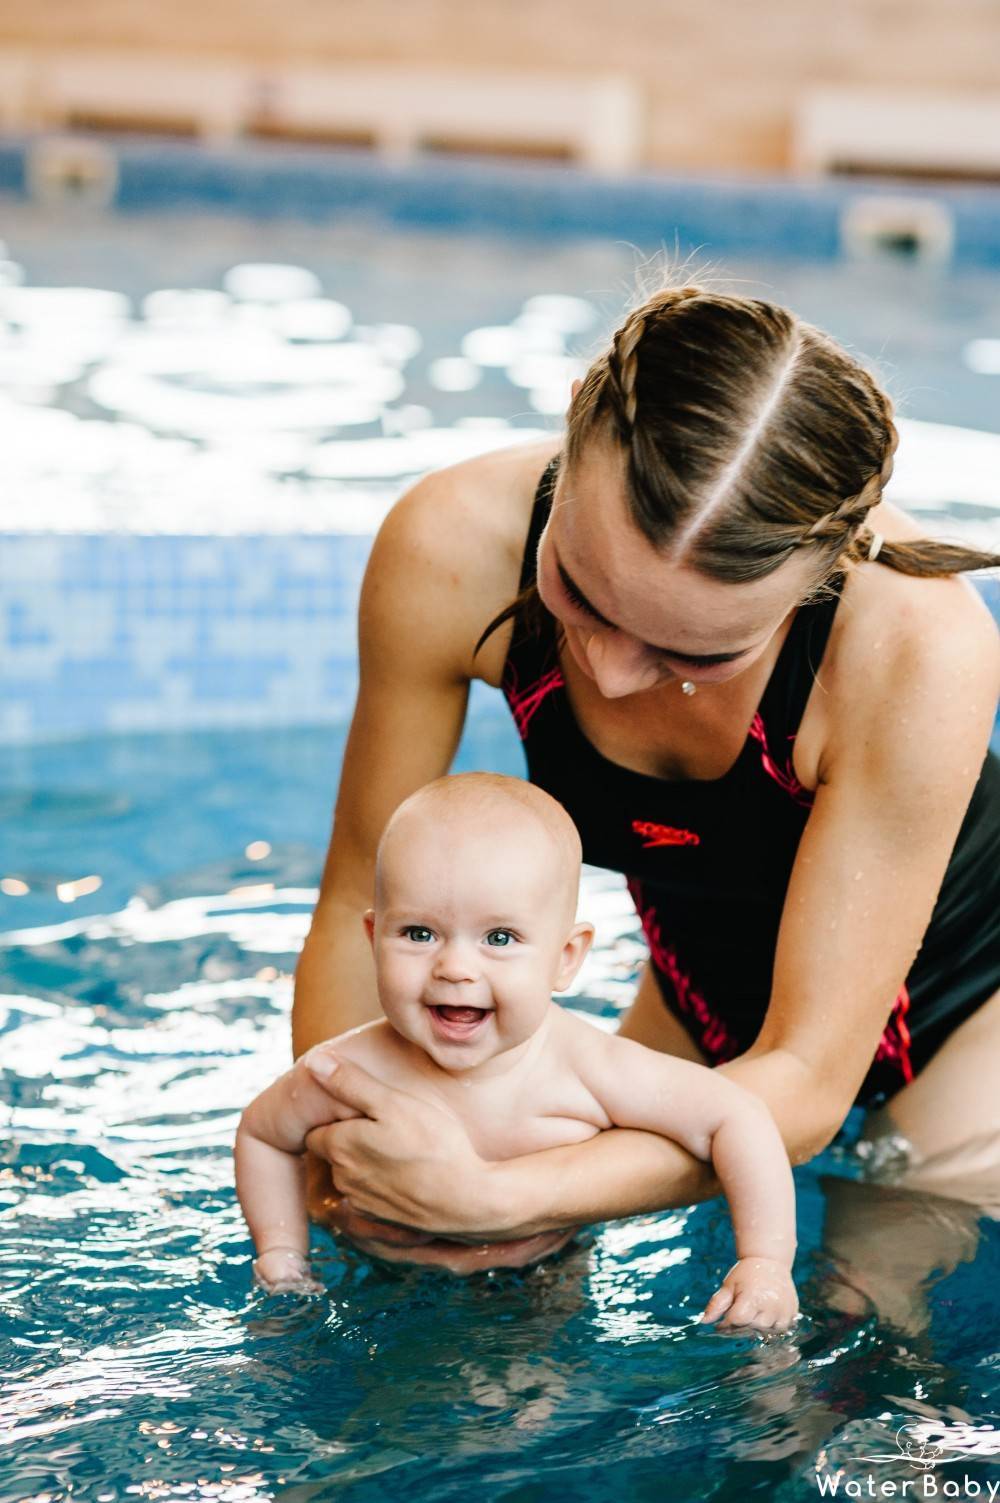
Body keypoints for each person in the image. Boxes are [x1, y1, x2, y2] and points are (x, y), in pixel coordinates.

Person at [292, 283, 1000, 1285]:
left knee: (862, 1326)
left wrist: (499, 1194)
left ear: (822, 573)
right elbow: (361, 895)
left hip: (968, 1013)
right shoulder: (452, 546)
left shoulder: (915, 647)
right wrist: (352, 1149)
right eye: (577, 591)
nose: (612, 673)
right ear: (575, 415)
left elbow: (802, 1079)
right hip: (692, 995)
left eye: (694, 652)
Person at [236, 773, 799, 1331]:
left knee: (530, 1408)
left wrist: (764, 1263)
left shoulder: (587, 1066)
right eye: (418, 933)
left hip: (541, 1288)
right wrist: (282, 1255)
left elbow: (736, 1115)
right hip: (377, 1283)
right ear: (372, 937)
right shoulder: (346, 1070)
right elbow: (263, 1133)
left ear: (566, 957)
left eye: (499, 938)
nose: (455, 968)